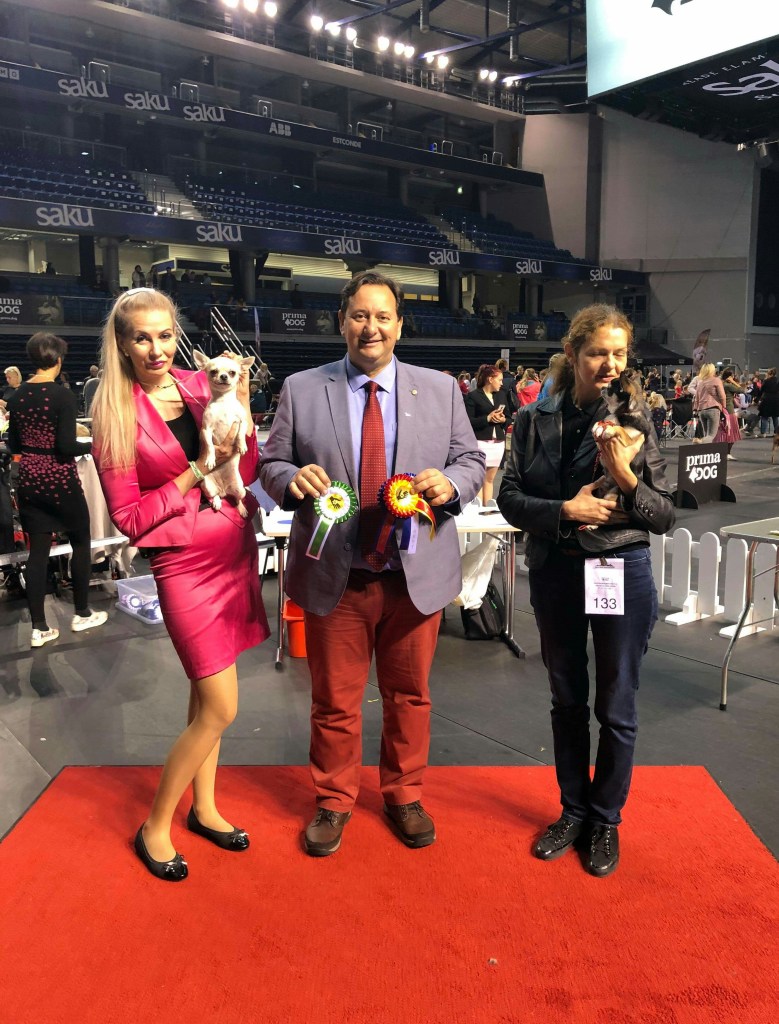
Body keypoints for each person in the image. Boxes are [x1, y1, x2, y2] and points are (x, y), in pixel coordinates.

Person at [259, 271, 483, 857]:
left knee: (410, 696)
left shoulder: (441, 389)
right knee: (334, 701)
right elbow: (270, 464)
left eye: (383, 316)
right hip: (337, 577)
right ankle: (334, 799)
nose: (371, 328)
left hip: (415, 578)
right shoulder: (302, 389)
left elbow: (470, 460)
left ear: (400, 325)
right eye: (359, 315)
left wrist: (451, 484)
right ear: (342, 322)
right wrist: (290, 479)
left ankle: (404, 794)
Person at [92, 288, 269, 882]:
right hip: (183, 568)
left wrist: (244, 419)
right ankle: (155, 826)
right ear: (122, 343)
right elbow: (130, 518)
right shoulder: (114, 414)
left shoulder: (204, 385)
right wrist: (195, 471)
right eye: (142, 337)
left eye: (165, 335)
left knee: (203, 698)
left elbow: (244, 469)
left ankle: (206, 808)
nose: (156, 349)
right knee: (221, 707)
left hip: (232, 553)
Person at [497, 304, 675, 877]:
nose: (610, 364)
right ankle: (573, 810)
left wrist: (625, 474)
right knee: (567, 698)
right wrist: (564, 511)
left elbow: (664, 514)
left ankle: (606, 819)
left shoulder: (636, 420)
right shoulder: (532, 419)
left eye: (619, 353)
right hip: (556, 571)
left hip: (619, 568)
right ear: (572, 353)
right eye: (598, 352)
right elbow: (508, 496)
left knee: (616, 703)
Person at [6, 333, 108, 648]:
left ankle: (39, 628)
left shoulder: (18, 396)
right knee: (80, 541)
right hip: (60, 481)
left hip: (30, 481)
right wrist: (94, 445)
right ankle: (82, 612)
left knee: (37, 554)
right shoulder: (62, 395)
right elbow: (65, 445)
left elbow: (14, 444)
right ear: (59, 359)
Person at [464, 365, 507, 504]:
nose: (501, 383)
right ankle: (477, 509)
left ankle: (487, 509)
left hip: (497, 443)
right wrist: (487, 418)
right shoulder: (473, 396)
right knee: (478, 479)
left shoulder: (501, 395)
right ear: (490, 379)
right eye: (499, 380)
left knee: (489, 480)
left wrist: (503, 420)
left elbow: (508, 417)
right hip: (480, 442)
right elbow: (468, 421)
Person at [692, 363, 726, 443]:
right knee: (711, 435)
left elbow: (697, 397)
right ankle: (700, 442)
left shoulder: (700, 382)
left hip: (701, 410)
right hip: (713, 409)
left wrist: (695, 409)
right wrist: (723, 406)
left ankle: (702, 444)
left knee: (706, 434)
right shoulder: (716, 380)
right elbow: (722, 396)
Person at [715, 367, 744, 459]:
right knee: (732, 433)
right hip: (729, 411)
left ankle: (719, 452)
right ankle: (727, 453)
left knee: (721, 433)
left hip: (720, 410)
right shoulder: (728, 385)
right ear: (730, 376)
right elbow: (742, 390)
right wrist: (733, 382)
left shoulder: (720, 383)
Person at [757, 367, 779, 437]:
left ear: (770, 374)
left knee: (764, 416)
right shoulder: (778, 381)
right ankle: (776, 433)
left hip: (767, 400)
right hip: (776, 400)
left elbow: (761, 391)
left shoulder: (766, 381)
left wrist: (757, 399)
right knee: (775, 417)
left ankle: (763, 433)